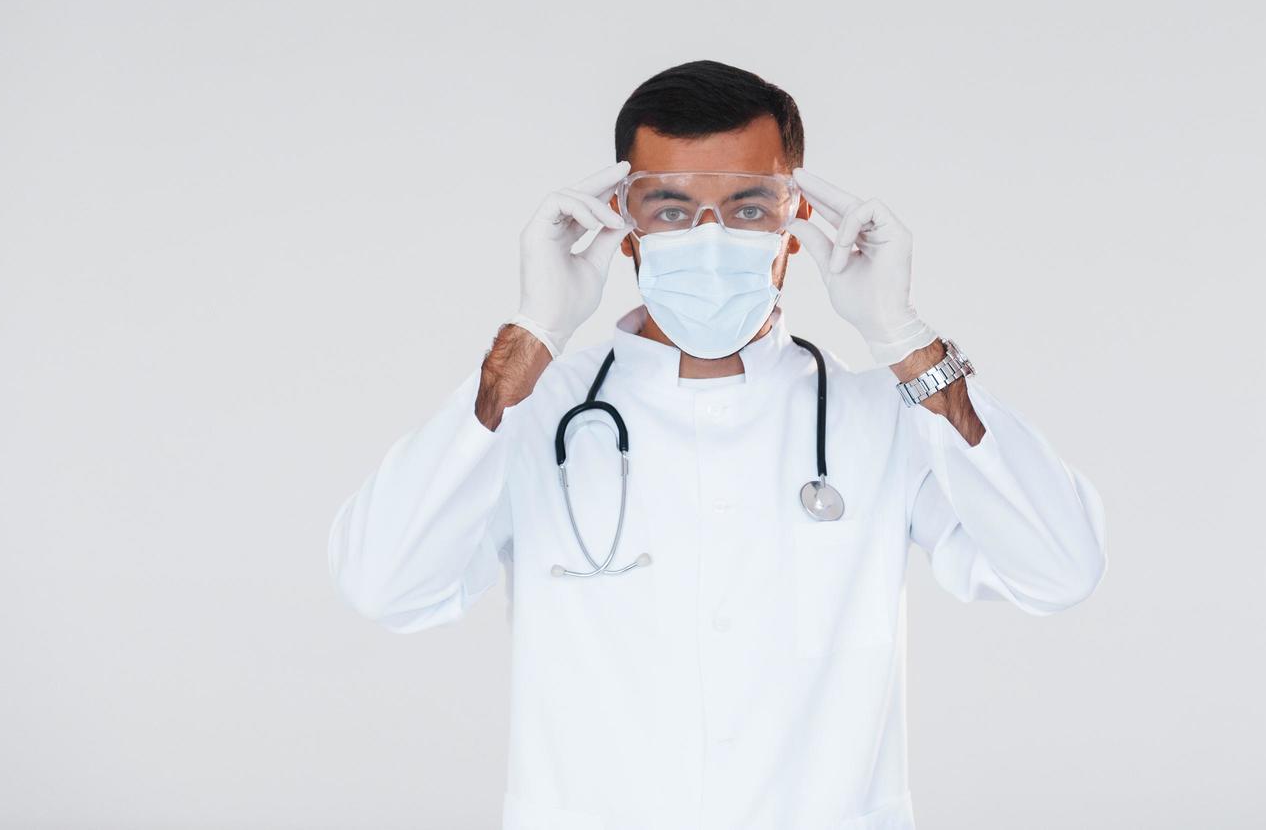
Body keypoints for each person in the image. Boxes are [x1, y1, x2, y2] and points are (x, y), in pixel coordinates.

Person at [327, 60, 1108, 830]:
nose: (708, 237)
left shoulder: (889, 414)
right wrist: (529, 340)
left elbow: (1060, 569)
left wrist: (905, 338)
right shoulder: (530, 416)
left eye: (747, 208)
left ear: (793, 228)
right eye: (668, 210)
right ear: (626, 233)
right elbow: (385, 584)